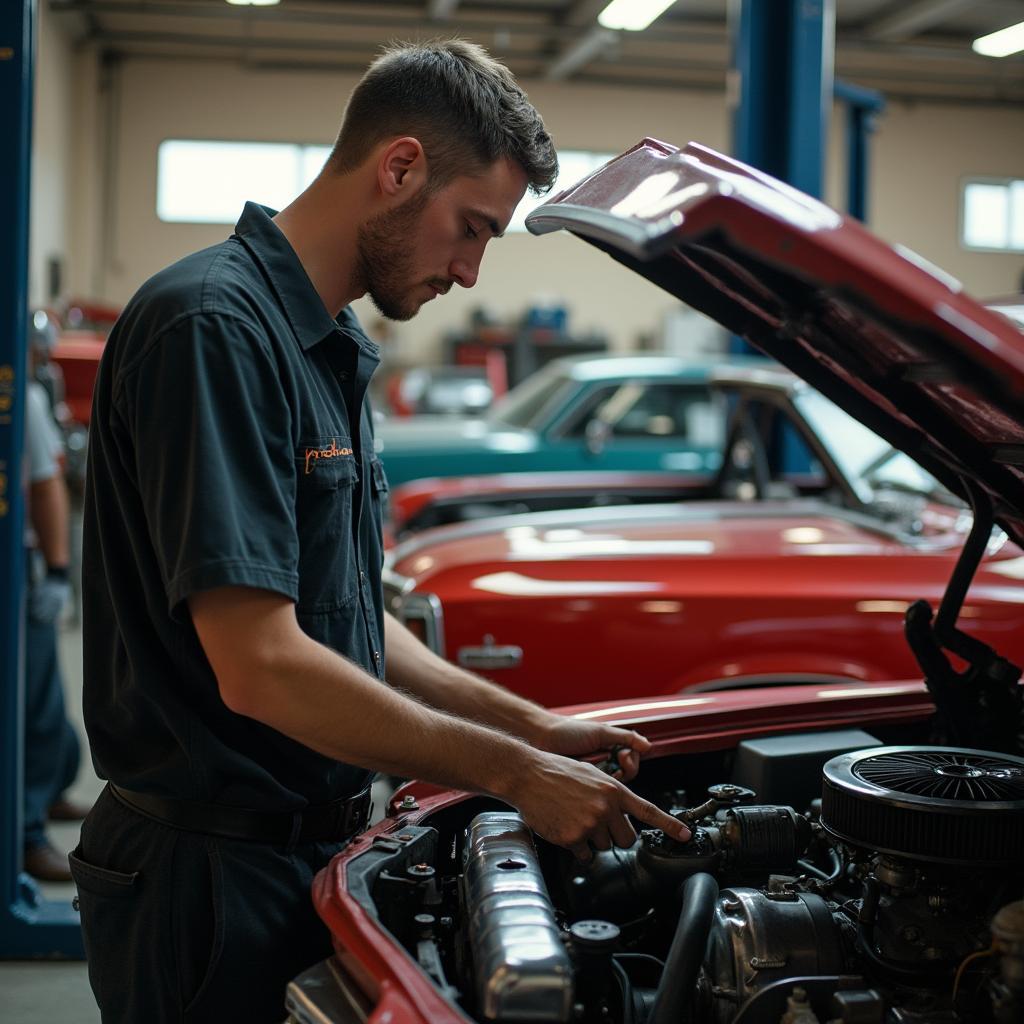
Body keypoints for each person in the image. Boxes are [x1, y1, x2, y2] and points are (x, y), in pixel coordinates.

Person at [75, 39, 690, 1023]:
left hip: (306, 854)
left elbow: (350, 619)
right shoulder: (213, 330)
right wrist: (512, 772)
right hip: (205, 877)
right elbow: (263, 665)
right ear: (399, 167)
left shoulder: (330, 350)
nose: (470, 269)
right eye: (471, 228)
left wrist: (531, 727)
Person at [22, 311, 86, 882]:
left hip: (20, 567)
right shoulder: (23, 398)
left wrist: (56, 573)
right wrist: (58, 568)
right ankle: (25, 829)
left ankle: (37, 809)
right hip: (20, 567)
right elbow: (45, 487)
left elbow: (47, 486)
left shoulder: (28, 401)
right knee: (31, 704)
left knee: (38, 703)